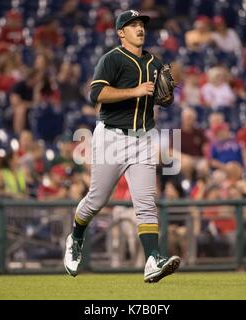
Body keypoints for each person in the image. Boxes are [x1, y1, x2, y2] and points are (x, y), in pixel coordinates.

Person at [63, 10, 181, 283]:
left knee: (146, 203)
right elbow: (96, 94)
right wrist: (135, 91)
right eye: (133, 25)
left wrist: (166, 97)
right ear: (120, 32)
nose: (139, 29)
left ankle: (153, 259)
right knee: (97, 199)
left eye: (141, 25)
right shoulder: (112, 59)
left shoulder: (154, 61)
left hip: (144, 137)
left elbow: (162, 98)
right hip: (112, 137)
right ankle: (76, 237)